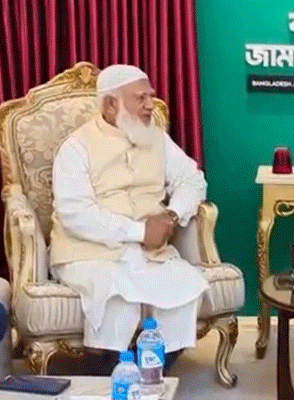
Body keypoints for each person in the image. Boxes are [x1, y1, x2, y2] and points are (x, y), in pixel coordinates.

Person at [50, 64, 210, 374]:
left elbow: (193, 180)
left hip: (148, 252)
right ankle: (103, 375)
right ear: (111, 104)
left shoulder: (156, 138)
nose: (151, 105)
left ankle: (146, 373)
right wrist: (139, 231)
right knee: (116, 295)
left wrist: (172, 214)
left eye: (150, 96)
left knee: (185, 288)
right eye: (141, 98)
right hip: (87, 251)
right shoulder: (75, 148)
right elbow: (75, 213)